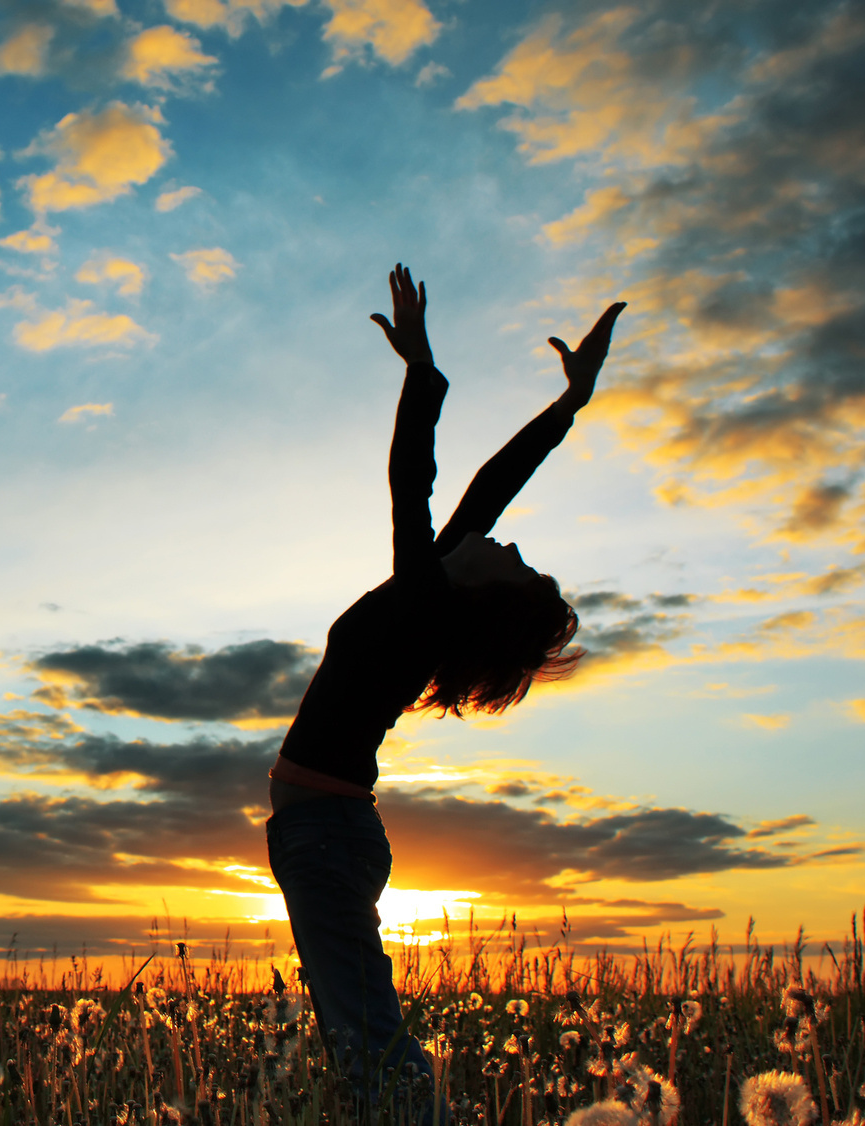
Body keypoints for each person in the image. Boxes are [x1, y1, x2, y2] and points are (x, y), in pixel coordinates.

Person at [266, 264, 625, 1105]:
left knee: (374, 1049)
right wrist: (569, 405)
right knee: (359, 1041)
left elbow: (412, 485)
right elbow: (491, 488)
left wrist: (422, 375)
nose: (505, 546)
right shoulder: (430, 596)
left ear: (487, 598)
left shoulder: (425, 602)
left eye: (516, 564)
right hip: (326, 834)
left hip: (326, 836)